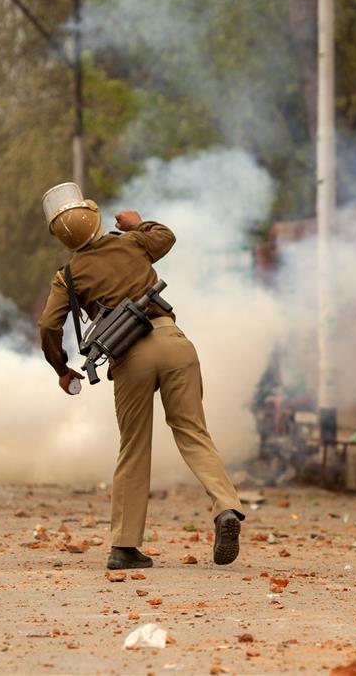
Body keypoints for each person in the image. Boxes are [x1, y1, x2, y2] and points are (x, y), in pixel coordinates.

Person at [37, 182, 245, 570]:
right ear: (95, 219)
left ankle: (124, 547)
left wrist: (61, 368)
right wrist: (137, 224)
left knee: (133, 448)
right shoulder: (132, 243)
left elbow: (49, 325)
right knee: (193, 431)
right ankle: (226, 508)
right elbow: (166, 236)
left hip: (129, 356)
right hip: (174, 342)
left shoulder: (68, 277)